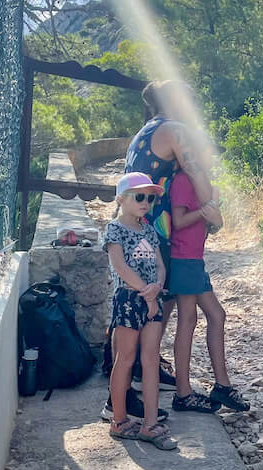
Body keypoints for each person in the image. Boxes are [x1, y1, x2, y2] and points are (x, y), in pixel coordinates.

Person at [121, 79, 221, 387]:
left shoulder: (148, 129)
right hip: (151, 228)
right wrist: (212, 210)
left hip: (135, 225)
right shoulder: (175, 130)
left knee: (150, 299)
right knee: (155, 300)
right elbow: (195, 171)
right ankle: (135, 371)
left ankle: (134, 366)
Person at [104, 172, 177, 450]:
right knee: (125, 359)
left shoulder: (149, 230)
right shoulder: (115, 229)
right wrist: (146, 292)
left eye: (150, 197)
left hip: (152, 300)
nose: (146, 202)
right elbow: (120, 266)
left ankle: (149, 424)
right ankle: (119, 420)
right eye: (139, 196)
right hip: (128, 299)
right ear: (122, 199)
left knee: (150, 360)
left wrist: (157, 286)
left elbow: (159, 263)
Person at [168, 169, 250, 414]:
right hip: (182, 258)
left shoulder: (205, 183)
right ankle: (183, 393)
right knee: (188, 320)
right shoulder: (184, 180)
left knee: (217, 315)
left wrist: (214, 211)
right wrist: (206, 210)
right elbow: (179, 221)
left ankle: (222, 386)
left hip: (195, 260)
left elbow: (216, 225)